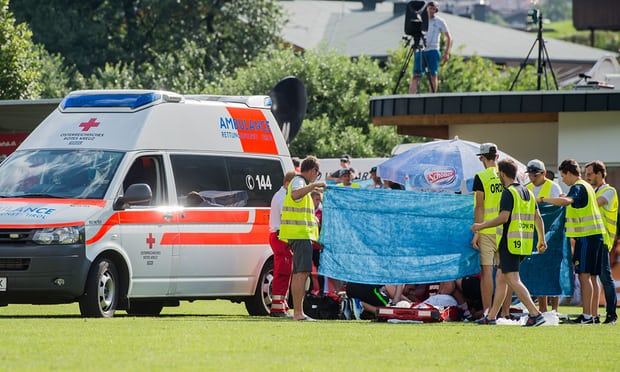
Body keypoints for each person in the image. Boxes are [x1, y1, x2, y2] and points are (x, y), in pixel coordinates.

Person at [472, 159, 547, 327]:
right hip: (524, 242)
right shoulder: (528, 192)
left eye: (499, 174)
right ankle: (491, 317)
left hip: (510, 242)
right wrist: (542, 239)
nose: (498, 176)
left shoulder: (509, 192)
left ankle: (535, 314)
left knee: (512, 279)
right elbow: (538, 217)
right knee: (501, 278)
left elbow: (503, 218)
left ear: (502, 174)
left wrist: (481, 225)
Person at [544, 159, 608, 324]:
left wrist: (543, 200)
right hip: (594, 235)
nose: (563, 180)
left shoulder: (578, 187)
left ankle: (586, 316)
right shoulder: (587, 187)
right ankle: (591, 315)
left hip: (587, 236)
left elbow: (567, 202)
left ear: (569, 173)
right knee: (592, 277)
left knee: (584, 276)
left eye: (563, 176)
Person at [279, 156, 326, 321]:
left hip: (299, 234)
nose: (316, 177)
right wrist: (313, 185)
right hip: (299, 235)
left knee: (301, 272)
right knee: (301, 273)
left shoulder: (301, 182)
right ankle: (298, 313)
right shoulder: (300, 181)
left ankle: (298, 312)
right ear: (313, 171)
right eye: (317, 174)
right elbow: (294, 195)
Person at [525, 159, 564, 313]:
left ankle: (554, 309)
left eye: (535, 175)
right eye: (530, 175)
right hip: (534, 235)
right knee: (538, 271)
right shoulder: (527, 189)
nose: (532, 178)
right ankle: (542, 307)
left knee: (552, 271)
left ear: (544, 173)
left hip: (553, 237)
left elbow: (558, 209)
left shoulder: (553, 187)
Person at [471, 143, 503, 318]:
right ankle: (504, 313)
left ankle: (488, 312)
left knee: (487, 272)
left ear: (482, 158)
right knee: (505, 273)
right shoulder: (507, 175)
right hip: (506, 229)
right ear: (497, 157)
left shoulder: (481, 177)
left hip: (487, 229)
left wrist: (477, 231)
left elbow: (479, 207)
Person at [584, 160, 618, 324]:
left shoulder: (608, 191)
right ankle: (593, 315)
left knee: (605, 278)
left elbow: (596, 204)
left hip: (603, 240)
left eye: (590, 174)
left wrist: (575, 199)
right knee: (593, 277)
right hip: (593, 239)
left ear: (599, 173)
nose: (587, 177)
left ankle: (611, 314)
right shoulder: (593, 191)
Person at [268, 171, 297, 317]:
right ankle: (278, 307)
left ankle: (281, 304)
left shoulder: (280, 195)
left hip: (280, 235)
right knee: (283, 271)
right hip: (281, 236)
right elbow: (285, 217)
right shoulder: (282, 198)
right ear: (288, 183)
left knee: (284, 271)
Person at [408, 1, 452, 94]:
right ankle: (411, 96)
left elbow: (449, 37)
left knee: (433, 74)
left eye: (433, 8)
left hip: (433, 49)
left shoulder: (440, 21)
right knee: (416, 75)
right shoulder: (420, 19)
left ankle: (431, 96)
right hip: (420, 49)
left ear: (436, 10)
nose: (431, 10)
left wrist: (446, 52)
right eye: (430, 8)